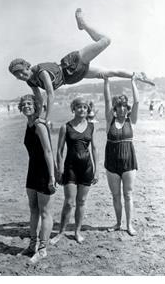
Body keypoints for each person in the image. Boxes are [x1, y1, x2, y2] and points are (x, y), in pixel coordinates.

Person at [9, 8, 155, 125]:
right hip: (72, 78)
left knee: (106, 42)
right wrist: (36, 116)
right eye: (18, 76)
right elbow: (39, 100)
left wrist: (46, 118)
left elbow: (50, 95)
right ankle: (138, 74)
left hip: (71, 65)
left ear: (27, 67)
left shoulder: (41, 73)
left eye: (22, 72)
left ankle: (83, 25)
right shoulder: (30, 81)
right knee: (108, 72)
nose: (21, 76)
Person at [50, 97, 99, 245]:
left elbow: (95, 149)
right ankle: (61, 232)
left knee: (82, 201)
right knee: (69, 202)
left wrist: (97, 171)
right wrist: (59, 170)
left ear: (87, 109)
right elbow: (59, 151)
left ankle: (77, 231)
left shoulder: (91, 127)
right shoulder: (66, 127)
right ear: (73, 109)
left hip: (87, 168)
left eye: (85, 107)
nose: (82, 109)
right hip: (70, 168)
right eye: (79, 107)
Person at [18, 94, 56, 263]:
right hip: (32, 171)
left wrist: (52, 176)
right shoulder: (29, 124)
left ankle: (42, 249)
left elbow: (48, 151)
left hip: (43, 172)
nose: (26, 106)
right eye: (24, 104)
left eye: (29, 103)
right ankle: (32, 246)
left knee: (45, 211)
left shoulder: (40, 125)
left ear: (35, 106)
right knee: (33, 209)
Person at [103, 74, 140, 236]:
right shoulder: (109, 120)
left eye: (125, 106)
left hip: (129, 162)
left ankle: (129, 225)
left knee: (128, 194)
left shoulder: (131, 121)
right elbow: (106, 101)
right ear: (115, 108)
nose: (123, 108)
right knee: (116, 195)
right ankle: (118, 223)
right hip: (111, 162)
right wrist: (106, 82)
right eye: (119, 106)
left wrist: (133, 82)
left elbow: (137, 102)